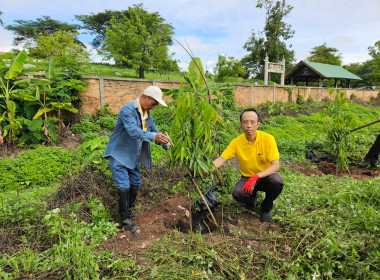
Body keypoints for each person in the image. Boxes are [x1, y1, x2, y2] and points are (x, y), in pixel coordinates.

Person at [104, 86, 171, 233]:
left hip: (132, 155)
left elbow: (154, 131)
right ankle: (125, 220)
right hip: (119, 154)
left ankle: (129, 211)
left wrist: (166, 144)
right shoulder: (127, 110)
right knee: (124, 185)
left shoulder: (147, 114)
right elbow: (133, 131)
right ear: (145, 97)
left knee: (136, 182)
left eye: (156, 105)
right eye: (153, 103)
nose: (154, 107)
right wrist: (153, 137)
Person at [212, 108, 283, 222]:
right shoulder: (237, 142)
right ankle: (252, 197)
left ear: (258, 124)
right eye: (245, 122)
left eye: (252, 122)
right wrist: (205, 169)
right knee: (238, 193)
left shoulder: (268, 139)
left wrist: (257, 176)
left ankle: (266, 208)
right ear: (240, 124)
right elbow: (221, 159)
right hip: (247, 177)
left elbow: (275, 166)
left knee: (276, 182)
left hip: (266, 176)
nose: (249, 125)